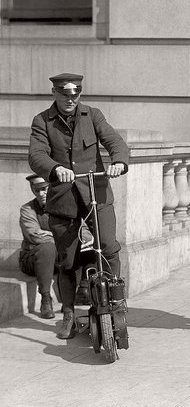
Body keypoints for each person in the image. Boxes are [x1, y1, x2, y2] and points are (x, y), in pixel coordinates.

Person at [28, 73, 129, 339]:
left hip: (97, 193)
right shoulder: (42, 121)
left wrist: (118, 161)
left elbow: (114, 141)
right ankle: (69, 313)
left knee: (108, 247)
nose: (71, 99)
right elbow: (36, 155)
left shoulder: (92, 115)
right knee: (68, 261)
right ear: (54, 93)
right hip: (64, 198)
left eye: (75, 94)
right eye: (65, 94)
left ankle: (116, 303)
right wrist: (55, 168)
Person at [19, 174, 57, 319]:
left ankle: (83, 290)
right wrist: (59, 236)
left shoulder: (63, 207)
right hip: (32, 260)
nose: (41, 194)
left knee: (88, 246)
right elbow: (34, 236)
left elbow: (83, 234)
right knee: (47, 248)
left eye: (45, 189)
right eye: (37, 190)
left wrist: (47, 233)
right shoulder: (27, 209)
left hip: (57, 259)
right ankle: (46, 299)